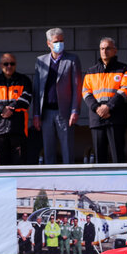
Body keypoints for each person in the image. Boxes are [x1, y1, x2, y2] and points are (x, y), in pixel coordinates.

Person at [32, 28, 82, 164]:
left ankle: (69, 180)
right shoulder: (40, 61)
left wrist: (75, 110)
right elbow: (37, 90)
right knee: (48, 150)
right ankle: (50, 181)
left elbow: (77, 87)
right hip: (46, 112)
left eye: (61, 41)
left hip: (64, 112)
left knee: (67, 148)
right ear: (48, 43)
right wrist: (36, 114)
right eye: (56, 41)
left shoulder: (72, 59)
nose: (59, 44)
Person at [82, 37, 127, 163]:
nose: (104, 51)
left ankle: (120, 183)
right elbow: (86, 92)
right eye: (102, 48)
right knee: (99, 158)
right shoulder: (91, 71)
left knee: (118, 157)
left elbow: (125, 90)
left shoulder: (124, 69)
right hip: (97, 119)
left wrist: (108, 107)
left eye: (108, 48)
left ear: (115, 50)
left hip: (116, 118)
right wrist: (97, 108)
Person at [0, 53, 32, 165]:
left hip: (18, 129)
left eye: (12, 63)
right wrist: (2, 109)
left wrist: (11, 109)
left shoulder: (24, 80)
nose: (9, 66)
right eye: (6, 64)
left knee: (19, 165)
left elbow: (26, 99)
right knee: (0, 166)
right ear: (1, 65)